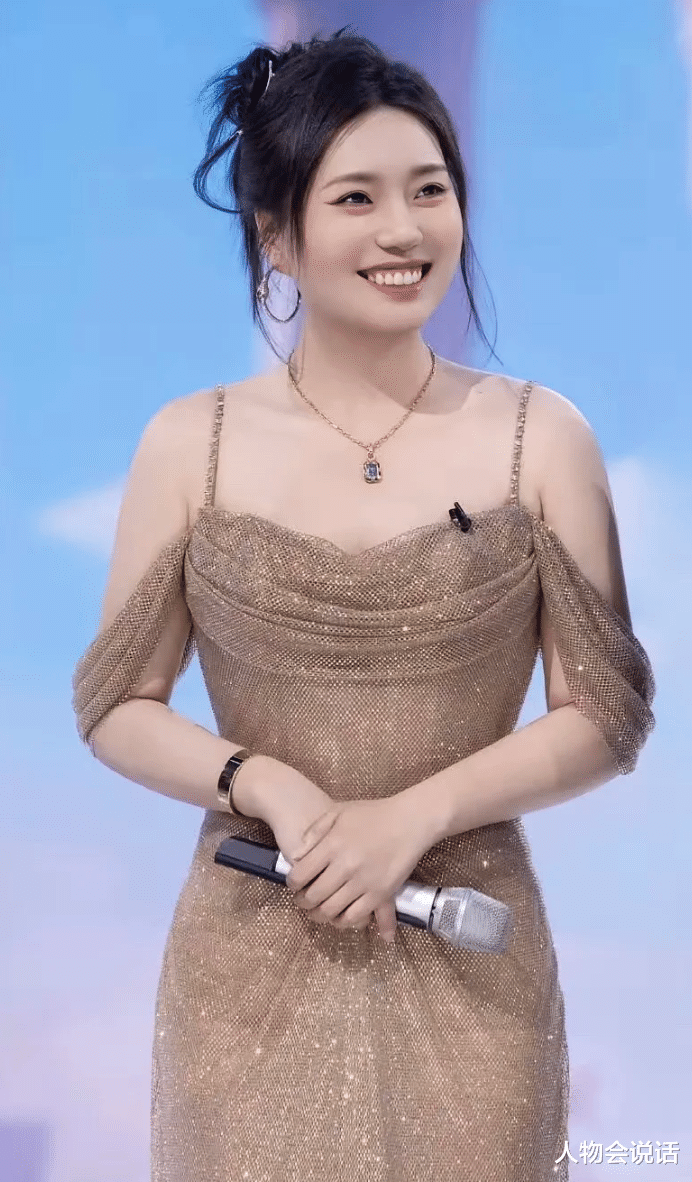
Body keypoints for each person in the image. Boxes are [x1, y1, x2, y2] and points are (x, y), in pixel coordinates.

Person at [71, 27, 655, 1182]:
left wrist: (411, 819)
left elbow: (605, 715)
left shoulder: (541, 437)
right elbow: (116, 703)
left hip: (470, 952)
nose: (404, 230)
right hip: (252, 951)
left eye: (429, 190)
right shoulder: (192, 443)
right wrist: (270, 788)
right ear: (275, 237)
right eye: (357, 198)